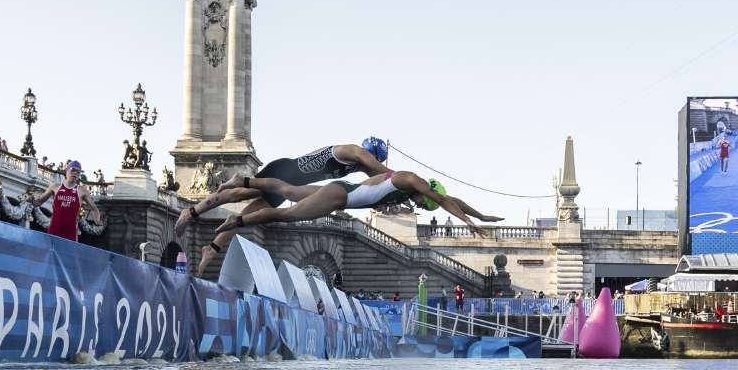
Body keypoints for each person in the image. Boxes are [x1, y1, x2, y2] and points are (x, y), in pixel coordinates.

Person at [175, 138, 393, 274]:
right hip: (284, 171)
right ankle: (190, 212)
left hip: (289, 184)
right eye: (375, 159)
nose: (371, 163)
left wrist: (397, 193)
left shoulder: (355, 166)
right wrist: (402, 181)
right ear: (373, 154)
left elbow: (375, 180)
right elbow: (382, 173)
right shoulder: (354, 151)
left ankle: (211, 249)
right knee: (238, 194)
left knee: (246, 216)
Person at [212, 171, 499, 237]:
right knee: (286, 214)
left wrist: (481, 215)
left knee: (289, 189)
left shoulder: (411, 188)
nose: (421, 208)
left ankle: (243, 180)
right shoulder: (409, 180)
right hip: (339, 197)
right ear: (425, 192)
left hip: (343, 191)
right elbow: (443, 200)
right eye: (424, 205)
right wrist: (468, 222)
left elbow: (450, 199)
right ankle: (235, 222)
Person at [30, 160, 103, 242]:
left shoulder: (82, 191)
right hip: (54, 231)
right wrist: (32, 200)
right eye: (73, 170)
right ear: (67, 171)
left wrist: (97, 220)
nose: (75, 173)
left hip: (71, 234)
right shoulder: (55, 187)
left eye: (78, 172)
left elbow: (94, 208)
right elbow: (39, 202)